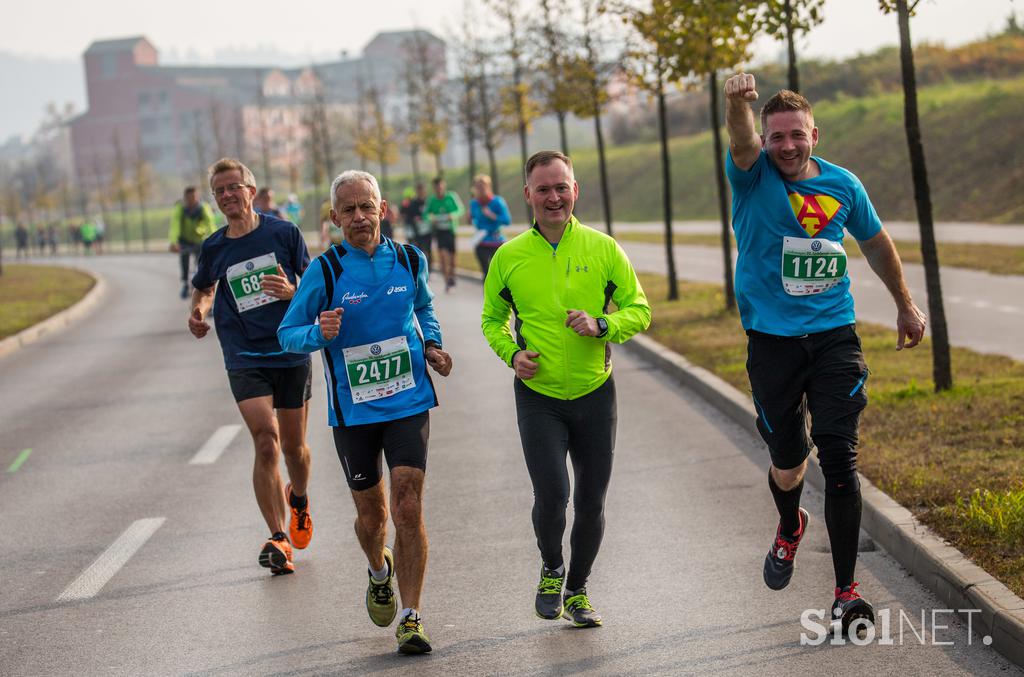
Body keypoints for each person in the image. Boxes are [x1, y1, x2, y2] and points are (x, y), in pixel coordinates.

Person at [723, 73, 927, 636]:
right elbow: (740, 143)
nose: (786, 146)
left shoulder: (843, 184)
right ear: (765, 141)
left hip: (835, 334)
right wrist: (735, 104)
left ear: (815, 133)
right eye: (775, 137)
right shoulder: (750, 177)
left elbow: (876, 241)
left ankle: (846, 593)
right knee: (789, 464)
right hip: (772, 344)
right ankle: (789, 526)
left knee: (839, 455)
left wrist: (905, 305)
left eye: (796, 135)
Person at [279, 170, 453, 654]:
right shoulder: (326, 271)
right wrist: (320, 333)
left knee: (408, 503)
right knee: (373, 518)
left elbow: (424, 310)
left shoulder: (410, 259)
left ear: (383, 209)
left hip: (408, 399)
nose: (359, 217)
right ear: (335, 218)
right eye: (349, 210)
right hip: (354, 413)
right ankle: (379, 570)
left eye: (367, 206)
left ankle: (412, 617)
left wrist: (434, 345)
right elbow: (288, 333)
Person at [481, 151, 651, 628]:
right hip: (539, 396)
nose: (554, 197)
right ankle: (552, 567)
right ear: (528, 195)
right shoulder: (509, 257)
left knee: (592, 499)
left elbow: (639, 309)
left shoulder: (603, 248)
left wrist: (603, 325)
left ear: (575, 190)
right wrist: (512, 355)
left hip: (596, 393)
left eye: (562, 187)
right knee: (553, 495)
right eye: (543, 189)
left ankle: (577, 589)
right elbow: (492, 320)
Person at [188, 157, 315, 576]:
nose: (226, 196)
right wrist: (199, 311)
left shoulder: (284, 233)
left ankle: (298, 498)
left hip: (290, 348)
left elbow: (313, 287)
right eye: (218, 190)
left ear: (251, 190)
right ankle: (278, 537)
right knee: (266, 440)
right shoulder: (215, 246)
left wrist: (291, 289)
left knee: (295, 449)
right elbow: (205, 287)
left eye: (232, 187)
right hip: (243, 354)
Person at [169, 186, 217, 299]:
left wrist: (215, 241)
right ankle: (185, 283)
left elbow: (210, 224)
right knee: (184, 260)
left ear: (197, 197)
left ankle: (202, 286)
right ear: (185, 198)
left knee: (201, 264)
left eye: (194, 197)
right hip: (184, 240)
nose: (191, 200)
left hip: (199, 240)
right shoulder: (179, 208)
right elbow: (174, 226)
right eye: (188, 198)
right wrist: (173, 242)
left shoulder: (203, 207)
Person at [423, 177, 463, 292]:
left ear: (444, 185)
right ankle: (447, 281)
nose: (439, 189)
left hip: (451, 231)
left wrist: (453, 215)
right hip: (439, 232)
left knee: (452, 259)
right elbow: (425, 214)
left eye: (440, 186)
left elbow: (461, 209)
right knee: (442, 256)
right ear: (434, 188)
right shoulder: (431, 200)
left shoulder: (451, 197)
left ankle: (452, 275)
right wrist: (431, 218)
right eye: (436, 187)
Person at [468, 173, 511, 277]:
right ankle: (488, 293)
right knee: (486, 273)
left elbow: (507, 220)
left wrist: (493, 216)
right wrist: (469, 218)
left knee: (498, 272)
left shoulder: (497, 201)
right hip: (481, 242)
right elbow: (473, 220)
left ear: (488, 187)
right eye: (478, 187)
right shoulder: (474, 203)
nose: (480, 189)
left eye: (483, 186)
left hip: (496, 242)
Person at [400, 184, 430, 271]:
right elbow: (404, 215)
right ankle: (416, 265)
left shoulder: (426, 201)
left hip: (423, 228)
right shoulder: (407, 203)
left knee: (426, 248)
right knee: (414, 245)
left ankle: (425, 266)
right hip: (411, 227)